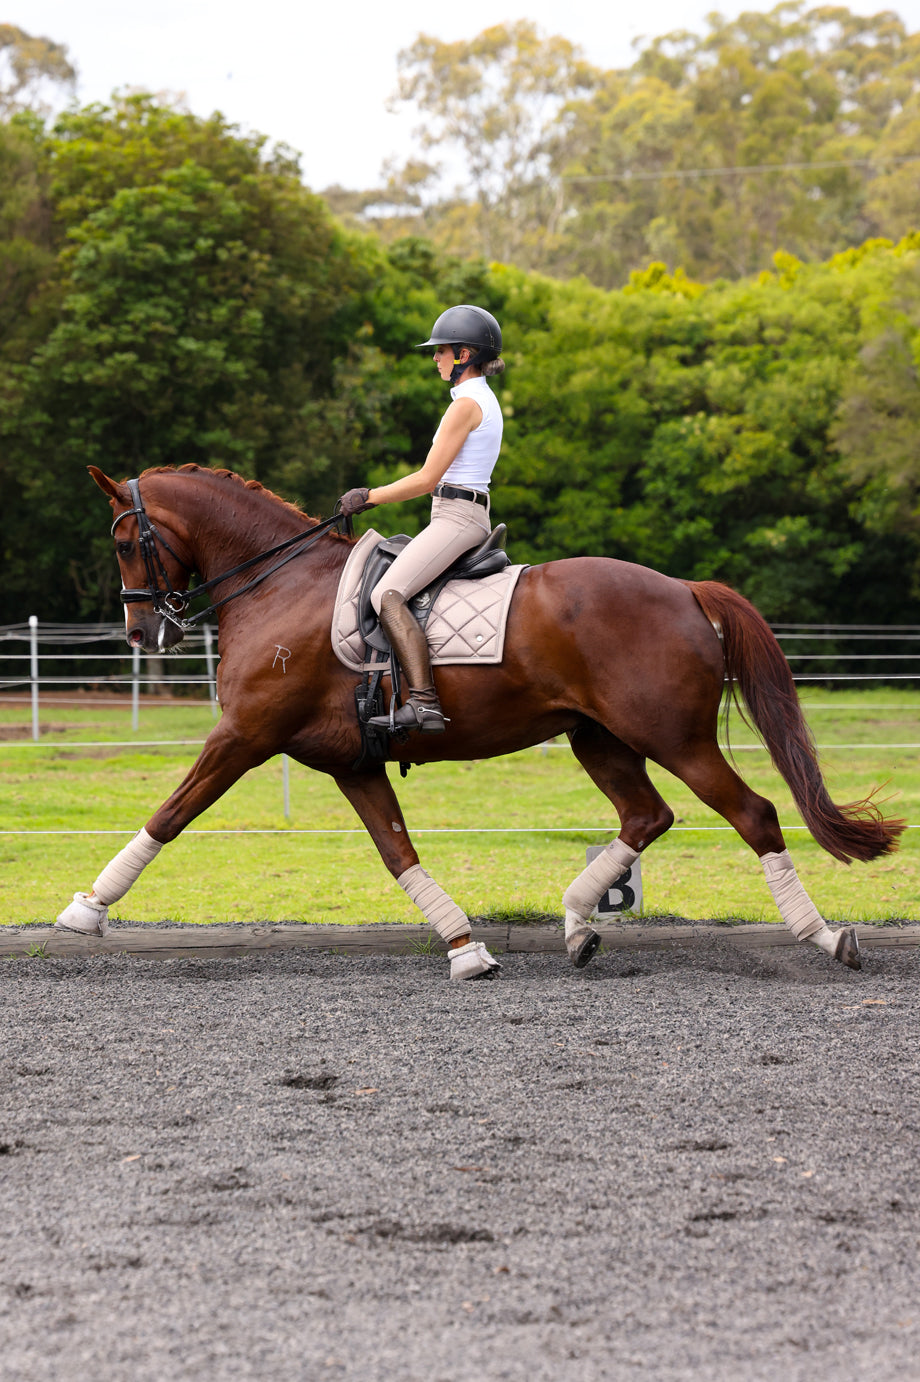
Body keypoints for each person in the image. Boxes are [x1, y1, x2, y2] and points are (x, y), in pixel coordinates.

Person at [337, 303, 505, 735]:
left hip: (458, 516)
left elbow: (428, 478)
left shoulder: (466, 404)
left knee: (387, 594)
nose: (435, 358)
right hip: (457, 512)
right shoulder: (477, 399)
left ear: (464, 355)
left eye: (441, 351)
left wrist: (368, 496)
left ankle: (425, 704)